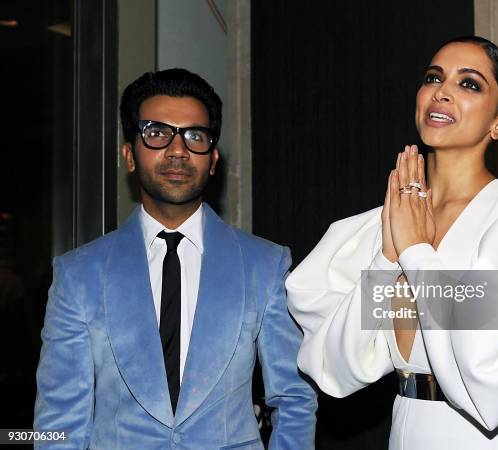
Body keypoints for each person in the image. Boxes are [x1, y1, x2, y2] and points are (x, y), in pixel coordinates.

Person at [286, 36, 498, 449]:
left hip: (485, 436)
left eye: (469, 84)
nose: (441, 91)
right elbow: (336, 367)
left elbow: (485, 366)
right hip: (406, 426)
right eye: (433, 78)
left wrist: (417, 253)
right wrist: (388, 257)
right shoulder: (377, 227)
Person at [34, 68, 317, 449]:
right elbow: (58, 424)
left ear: (213, 159)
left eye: (194, 136)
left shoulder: (265, 265)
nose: (178, 150)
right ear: (129, 155)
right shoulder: (78, 275)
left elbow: (295, 400)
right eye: (156, 133)